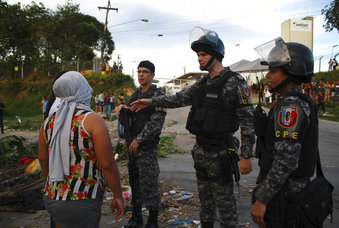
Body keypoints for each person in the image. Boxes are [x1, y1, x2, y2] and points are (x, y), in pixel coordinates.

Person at [130, 27, 255, 228]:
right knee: (205, 203)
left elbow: (248, 120)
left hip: (222, 152)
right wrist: (151, 102)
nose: (199, 59)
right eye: (198, 55)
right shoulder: (203, 83)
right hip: (201, 151)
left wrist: (246, 155)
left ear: (216, 55)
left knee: (226, 207)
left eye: (203, 55)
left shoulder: (235, 82)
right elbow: (178, 98)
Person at [38, 71, 124, 228]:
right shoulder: (92, 120)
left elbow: (43, 159)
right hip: (83, 198)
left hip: (52, 197)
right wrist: (118, 195)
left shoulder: (48, 122)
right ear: (82, 91)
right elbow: (107, 164)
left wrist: (54, 185)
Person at [251, 37, 318, 227]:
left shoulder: (290, 107)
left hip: (284, 195)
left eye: (273, 71)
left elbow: (285, 161)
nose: (268, 76)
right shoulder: (296, 101)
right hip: (287, 192)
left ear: (290, 73)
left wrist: (262, 199)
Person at [115, 60, 167, 228]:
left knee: (149, 183)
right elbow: (128, 118)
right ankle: (136, 217)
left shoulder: (157, 96)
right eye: (139, 71)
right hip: (132, 147)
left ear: (152, 75)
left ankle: (152, 221)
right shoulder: (135, 95)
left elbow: (156, 122)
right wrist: (121, 109)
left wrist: (139, 139)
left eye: (145, 72)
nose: (141, 75)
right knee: (134, 182)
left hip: (146, 148)